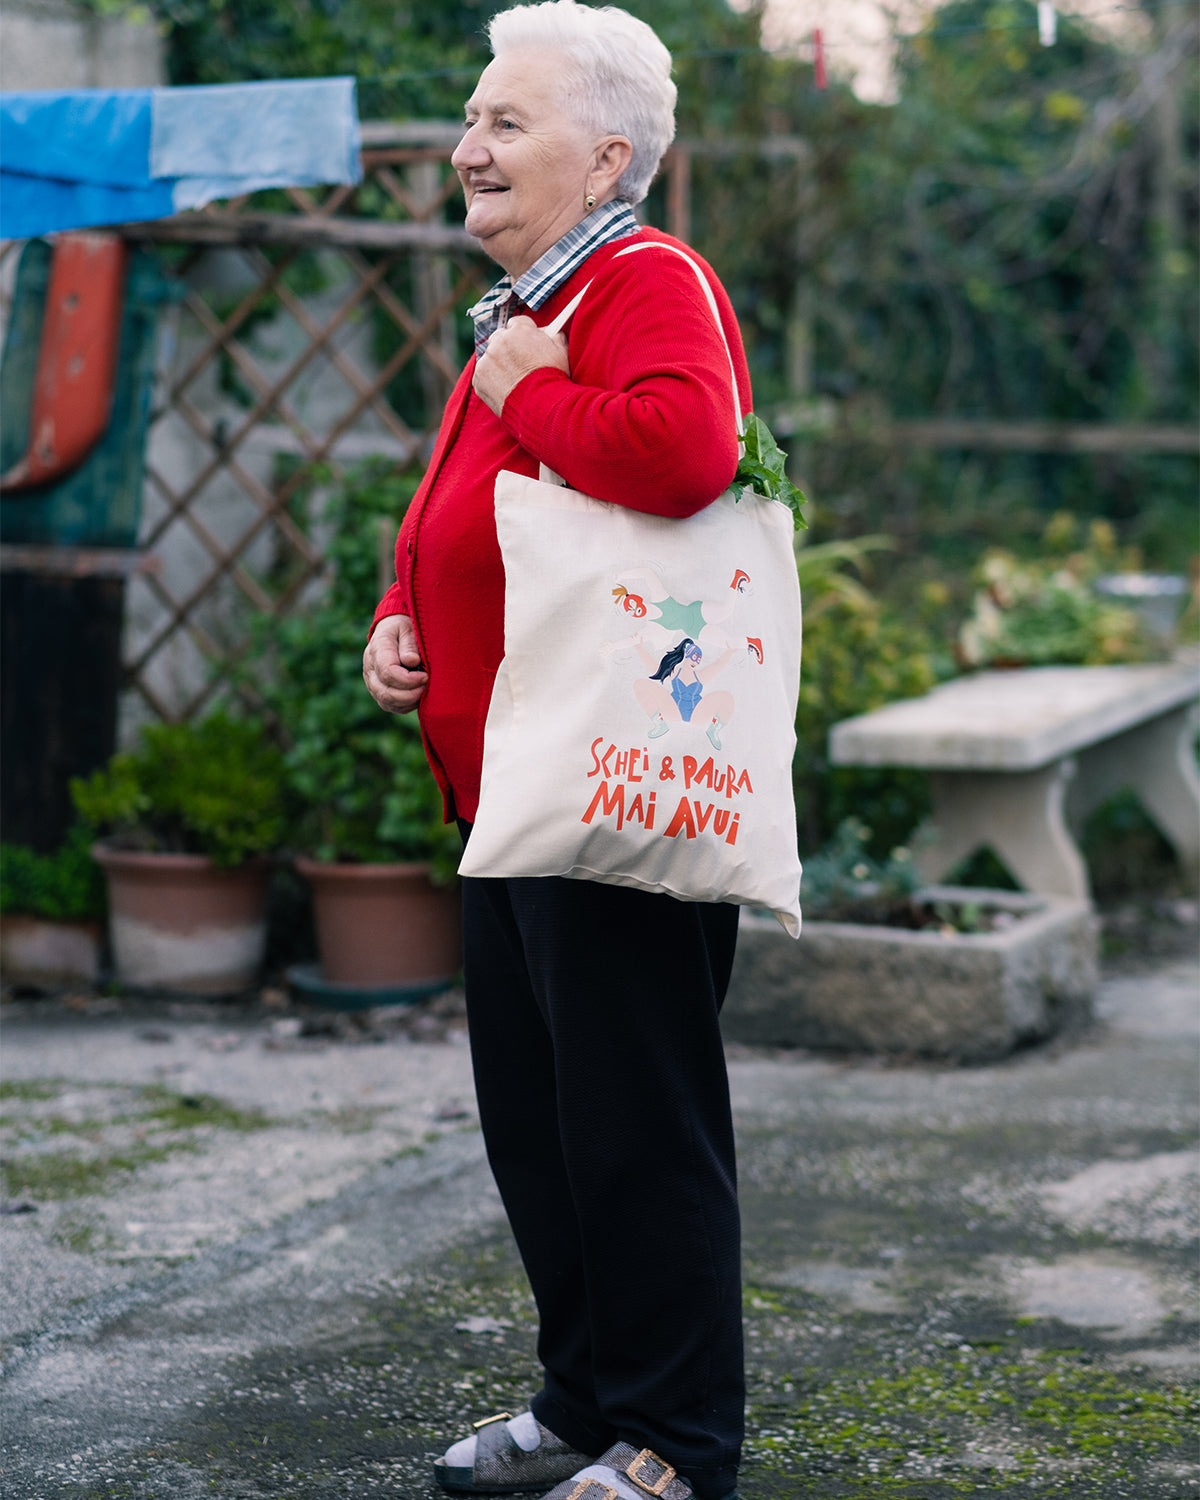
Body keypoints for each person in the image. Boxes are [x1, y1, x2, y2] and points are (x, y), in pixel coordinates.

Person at [362, 5, 751, 1499]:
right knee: (545, 1128)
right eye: (473, 120)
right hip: (517, 795)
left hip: (612, 794)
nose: (467, 147)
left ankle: (678, 1444)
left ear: (606, 158)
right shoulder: (535, 299)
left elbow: (680, 450)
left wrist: (529, 385)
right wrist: (405, 609)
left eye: (503, 124)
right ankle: (585, 1403)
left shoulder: (643, 280)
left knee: (640, 1130)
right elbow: (465, 508)